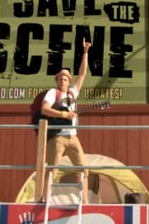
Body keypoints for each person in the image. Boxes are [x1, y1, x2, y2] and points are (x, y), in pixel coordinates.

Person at [41, 38, 91, 203]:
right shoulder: (52, 93)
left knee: (83, 170)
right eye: (60, 78)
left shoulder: (72, 93)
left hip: (73, 137)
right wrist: (64, 115)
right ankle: (44, 199)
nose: (63, 80)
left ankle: (84, 202)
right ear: (57, 81)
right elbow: (45, 109)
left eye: (65, 78)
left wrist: (85, 53)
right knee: (52, 170)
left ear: (69, 81)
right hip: (58, 137)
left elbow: (83, 73)